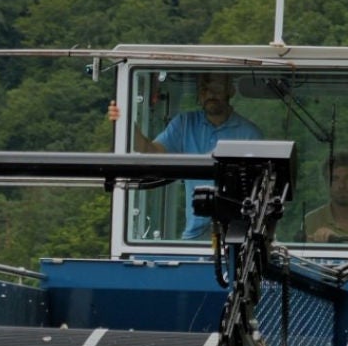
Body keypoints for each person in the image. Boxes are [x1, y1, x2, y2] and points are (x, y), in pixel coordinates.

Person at [110, 72, 263, 239]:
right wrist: (123, 120)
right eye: (204, 89)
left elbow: (260, 189)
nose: (210, 94)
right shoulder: (185, 124)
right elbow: (151, 153)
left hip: (238, 233)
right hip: (194, 235)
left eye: (216, 87)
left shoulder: (250, 134)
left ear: (230, 90)